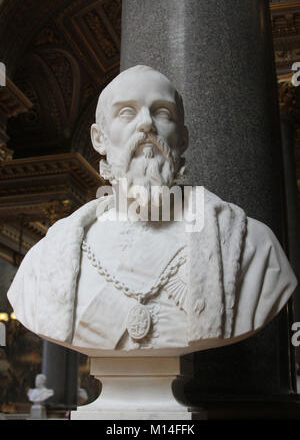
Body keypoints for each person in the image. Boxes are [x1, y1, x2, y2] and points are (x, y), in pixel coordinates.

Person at [7, 65, 297, 356]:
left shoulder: (253, 248)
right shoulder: (48, 259)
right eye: (127, 112)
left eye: (162, 113)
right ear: (100, 139)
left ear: (182, 139)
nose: (146, 124)